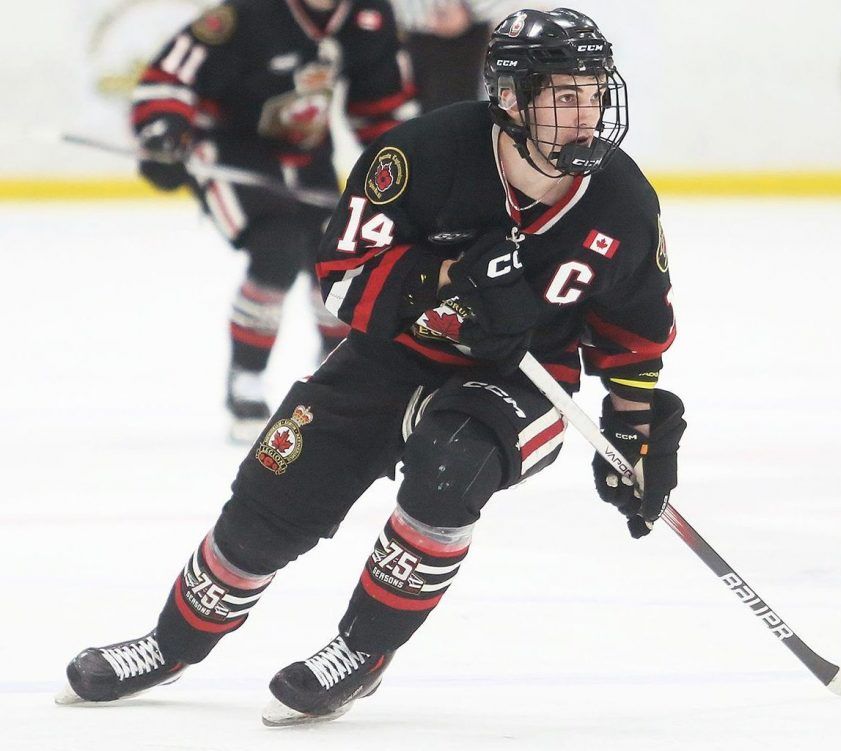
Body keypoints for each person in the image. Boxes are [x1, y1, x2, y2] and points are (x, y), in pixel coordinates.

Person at [58, 7, 686, 725]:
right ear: (512, 98)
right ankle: (169, 643)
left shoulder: (622, 201)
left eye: (595, 92)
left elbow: (634, 331)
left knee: (449, 468)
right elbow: (341, 280)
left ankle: (361, 651)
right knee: (272, 501)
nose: (587, 115)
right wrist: (448, 274)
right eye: (566, 96)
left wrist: (636, 431)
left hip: (521, 377)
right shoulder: (423, 155)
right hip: (394, 353)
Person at [132, 0, 417, 440]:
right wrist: (164, 129)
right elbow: (169, 79)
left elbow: (379, 107)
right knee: (277, 250)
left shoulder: (369, 16)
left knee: (340, 257)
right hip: (229, 151)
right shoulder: (247, 13)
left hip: (308, 158)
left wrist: (409, 167)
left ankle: (338, 377)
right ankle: (245, 380)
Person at [390, 0, 524, 111]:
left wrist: (468, 9)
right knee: (429, 106)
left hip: (469, 31)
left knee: (461, 107)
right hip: (418, 30)